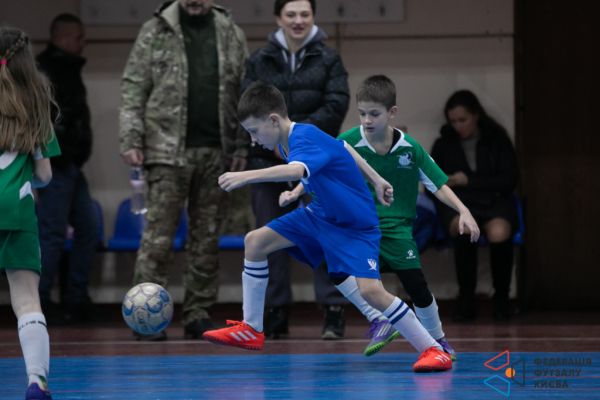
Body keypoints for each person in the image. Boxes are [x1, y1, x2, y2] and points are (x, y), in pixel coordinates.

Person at [203, 82, 453, 373]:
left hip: (356, 225)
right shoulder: (287, 141)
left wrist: (245, 176)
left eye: (254, 131)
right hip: (319, 216)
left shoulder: (303, 137)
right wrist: (375, 179)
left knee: (371, 291)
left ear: (273, 119)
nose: (254, 140)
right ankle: (251, 328)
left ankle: (435, 350)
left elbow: (297, 169)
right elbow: (343, 147)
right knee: (255, 241)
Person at [119, 0, 249, 341]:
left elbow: (243, 92)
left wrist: (241, 146)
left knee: (206, 240)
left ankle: (198, 313)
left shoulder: (230, 32)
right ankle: (145, 319)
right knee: (158, 240)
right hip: (165, 150)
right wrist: (130, 138)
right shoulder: (155, 31)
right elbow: (133, 87)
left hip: (218, 151)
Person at [331, 75, 480, 360]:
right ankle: (380, 319)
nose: (367, 120)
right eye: (362, 113)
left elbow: (438, 185)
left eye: (374, 114)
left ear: (392, 112)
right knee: (334, 266)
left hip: (398, 230)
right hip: (361, 230)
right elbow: (319, 169)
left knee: (417, 288)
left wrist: (463, 210)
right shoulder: (345, 143)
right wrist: (298, 190)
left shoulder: (410, 148)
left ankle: (439, 341)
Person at [242, 0, 351, 340]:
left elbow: (336, 104)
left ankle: (333, 309)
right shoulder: (259, 59)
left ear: (313, 17)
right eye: (291, 14)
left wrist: (295, 141)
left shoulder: (329, 58)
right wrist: (274, 144)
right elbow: (247, 107)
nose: (298, 20)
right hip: (265, 160)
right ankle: (275, 311)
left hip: (315, 164)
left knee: (326, 234)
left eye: (305, 14)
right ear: (278, 18)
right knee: (269, 238)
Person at [0, 27, 62, 400]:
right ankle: (36, 381)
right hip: (16, 207)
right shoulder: (36, 104)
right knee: (26, 300)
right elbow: (45, 175)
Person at [430, 90, 519, 322]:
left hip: (493, 200)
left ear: (476, 115)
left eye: (463, 120)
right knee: (465, 228)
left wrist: (468, 181)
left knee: (499, 231)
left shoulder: (497, 139)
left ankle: (502, 298)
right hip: (458, 203)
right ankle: (466, 298)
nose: (457, 126)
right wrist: (446, 183)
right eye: (453, 121)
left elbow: (509, 180)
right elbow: (430, 181)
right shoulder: (443, 144)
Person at [35, 14, 99, 324]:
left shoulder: (69, 68)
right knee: (51, 234)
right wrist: (56, 156)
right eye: (79, 37)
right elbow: (43, 120)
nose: (83, 43)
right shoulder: (44, 70)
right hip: (56, 164)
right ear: (61, 37)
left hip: (71, 164)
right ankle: (40, 301)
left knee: (88, 229)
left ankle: (76, 299)